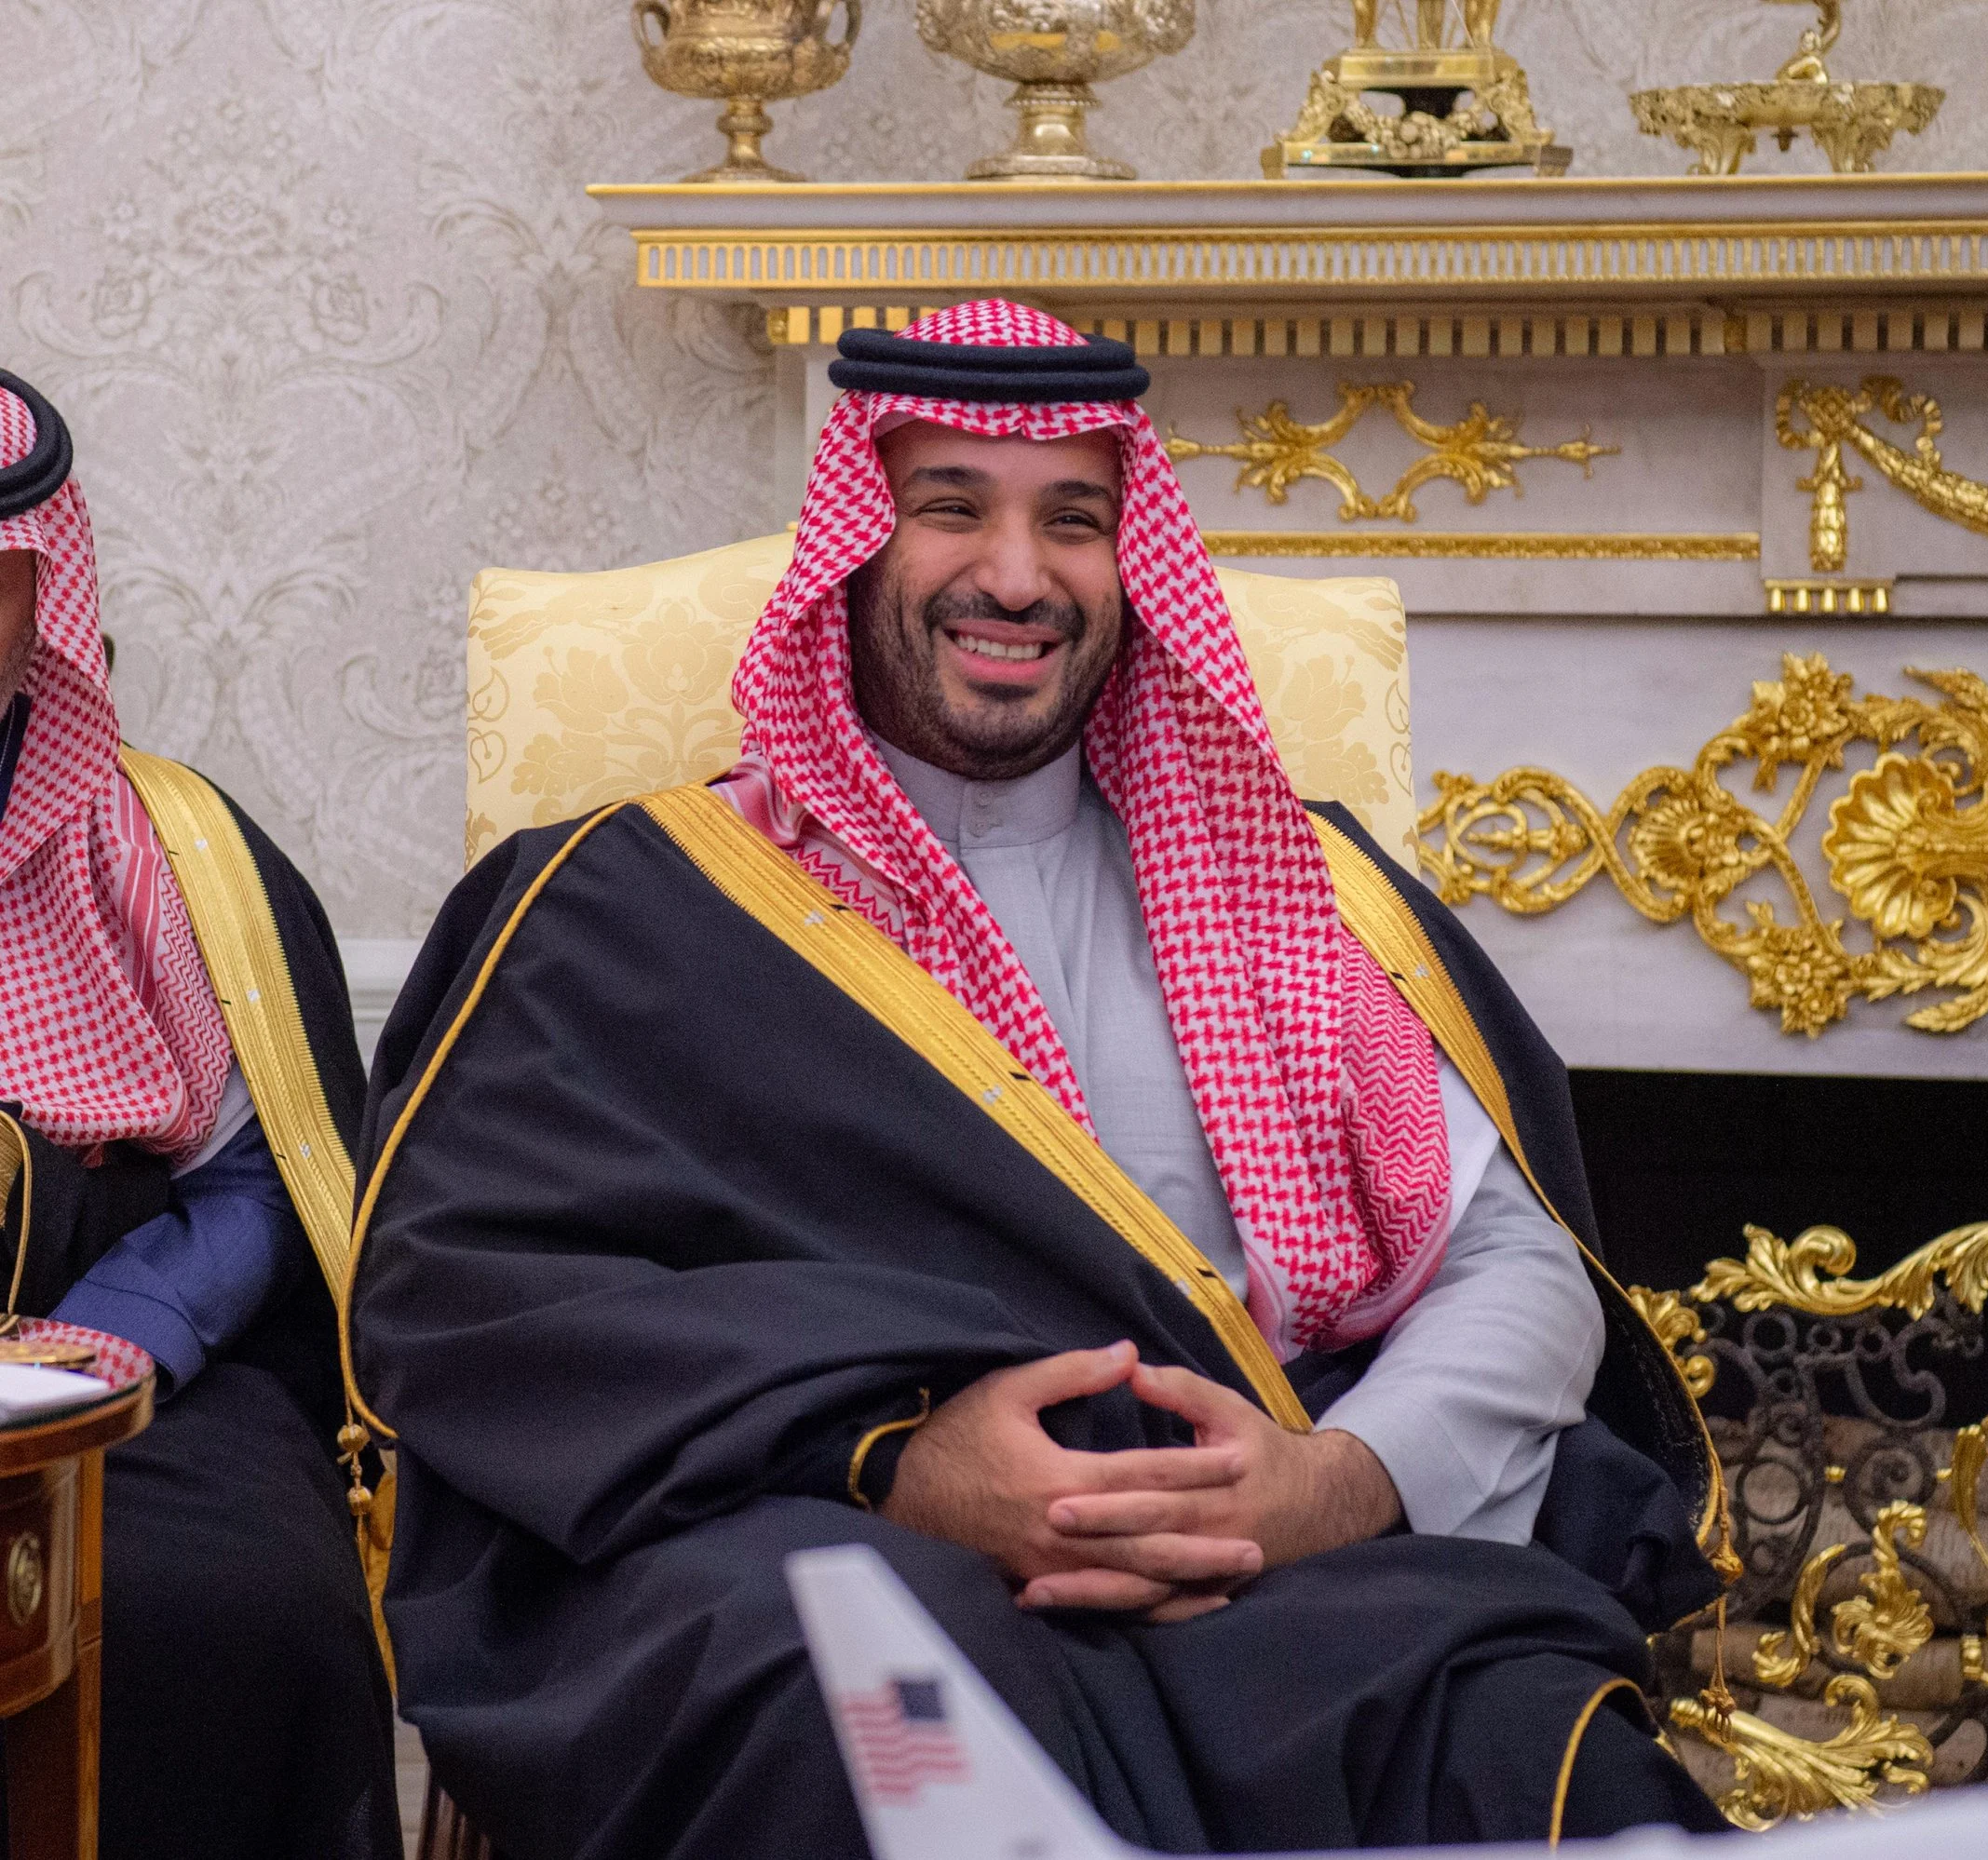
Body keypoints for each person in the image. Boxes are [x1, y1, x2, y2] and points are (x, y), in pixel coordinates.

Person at [353, 302, 1731, 1858]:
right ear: (858, 546)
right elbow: (469, 1289)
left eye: (1072, 520)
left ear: (1129, 562)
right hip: (833, 1543)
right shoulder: (638, 905)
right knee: (851, 1695)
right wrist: (891, 1455)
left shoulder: (1298, 888)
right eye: (952, 506)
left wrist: (1333, 1480)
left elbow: (1518, 1271)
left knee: (1536, 1748)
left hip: (1286, 1579)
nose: (1014, 576)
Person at [0, 371, 400, 1858]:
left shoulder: (172, 855)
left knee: (237, 1609)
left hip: (110, 1381)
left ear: (42, 602)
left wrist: (101, 1344)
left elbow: (252, 1182)